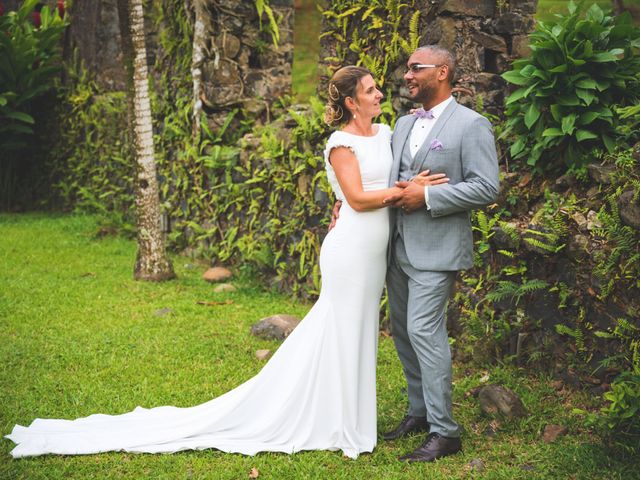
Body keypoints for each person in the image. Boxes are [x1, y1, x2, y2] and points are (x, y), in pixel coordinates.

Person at [5, 65, 445, 459]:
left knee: (358, 331)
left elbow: (389, 178)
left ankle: (347, 413)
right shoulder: (340, 142)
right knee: (340, 326)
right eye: (370, 91)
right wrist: (404, 193)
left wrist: (410, 183)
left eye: (376, 90)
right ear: (352, 101)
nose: (379, 95)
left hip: (375, 251)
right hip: (350, 249)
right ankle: (331, 419)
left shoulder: (387, 133)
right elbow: (355, 198)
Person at [380, 45, 500, 462]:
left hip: (437, 250)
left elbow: (487, 187)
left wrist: (428, 194)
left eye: (416, 68)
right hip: (397, 250)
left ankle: (445, 432)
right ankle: (418, 413)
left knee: (424, 333)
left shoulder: (472, 125)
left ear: (442, 71)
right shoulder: (400, 124)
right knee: (404, 334)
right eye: (407, 69)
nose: (407, 75)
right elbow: (394, 179)